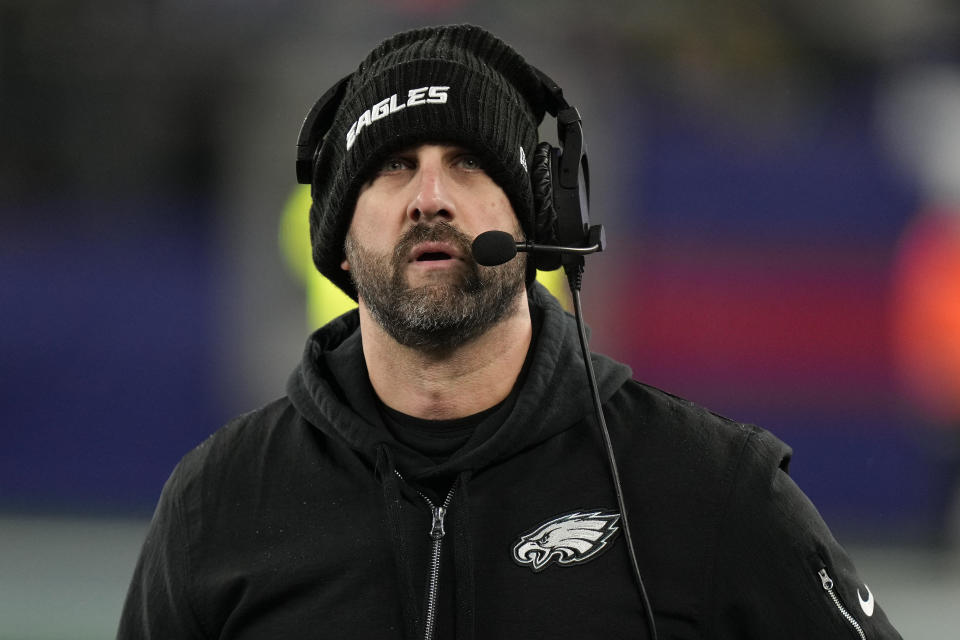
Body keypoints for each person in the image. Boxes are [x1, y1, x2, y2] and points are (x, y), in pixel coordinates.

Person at [117, 24, 902, 639]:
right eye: (392, 166)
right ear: (337, 237)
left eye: (468, 162)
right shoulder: (215, 505)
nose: (430, 196)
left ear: (538, 221)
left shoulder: (712, 487)